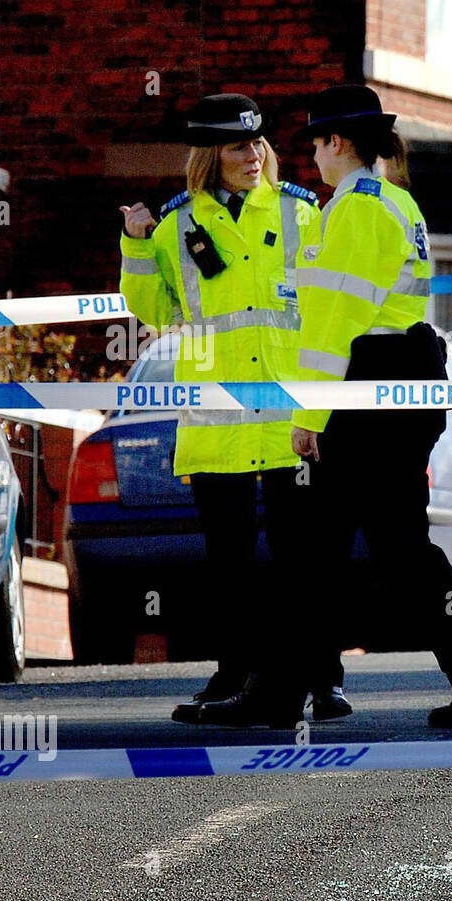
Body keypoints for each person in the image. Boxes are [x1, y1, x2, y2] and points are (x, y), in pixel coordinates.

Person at [249, 84, 452, 729]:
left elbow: (332, 323)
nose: (312, 158)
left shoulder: (356, 211)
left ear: (337, 142)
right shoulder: (394, 202)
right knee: (374, 547)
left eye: (315, 144)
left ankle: (284, 691)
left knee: (344, 546)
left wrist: (308, 417)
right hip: (398, 376)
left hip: (368, 385)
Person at [118, 93, 350, 727]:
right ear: (208, 157)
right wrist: (136, 245)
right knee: (230, 564)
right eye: (236, 147)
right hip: (216, 420)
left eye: (257, 144)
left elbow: (334, 305)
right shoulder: (176, 225)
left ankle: (321, 678)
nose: (252, 157)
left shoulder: (304, 213)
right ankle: (236, 677)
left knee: (300, 556)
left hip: (290, 415)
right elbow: (155, 311)